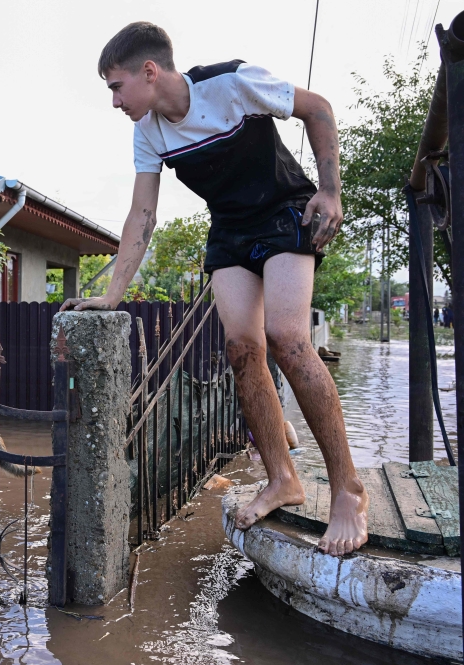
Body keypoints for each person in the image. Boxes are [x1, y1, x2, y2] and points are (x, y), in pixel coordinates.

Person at [61, 22, 368, 555]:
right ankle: (282, 479)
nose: (114, 101)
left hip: (283, 212)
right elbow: (142, 213)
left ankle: (348, 489)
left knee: (288, 340)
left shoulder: (231, 84)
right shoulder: (148, 132)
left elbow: (317, 108)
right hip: (229, 228)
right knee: (242, 349)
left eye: (116, 86)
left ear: (149, 72)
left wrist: (331, 191)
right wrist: (112, 295)